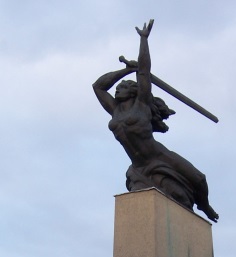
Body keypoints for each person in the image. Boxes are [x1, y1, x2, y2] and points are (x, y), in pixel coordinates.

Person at [93, 20, 219, 221]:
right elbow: (98, 86)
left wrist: (143, 40)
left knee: (199, 178)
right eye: (119, 87)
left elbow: (144, 71)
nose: (118, 89)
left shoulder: (141, 105)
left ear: (134, 92)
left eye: (124, 86)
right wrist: (126, 71)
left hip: (159, 157)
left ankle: (205, 206)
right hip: (138, 167)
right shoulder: (114, 111)